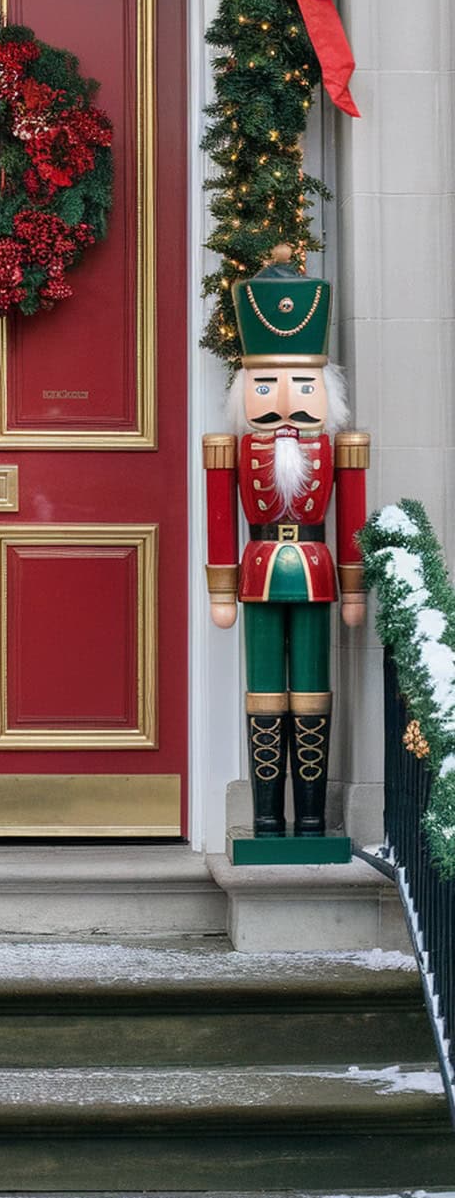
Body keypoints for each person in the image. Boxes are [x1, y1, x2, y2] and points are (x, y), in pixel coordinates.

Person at [204, 246, 368, 837]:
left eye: (301, 383)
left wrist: (354, 590)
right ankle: (267, 819)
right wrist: (221, 589)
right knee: (265, 694)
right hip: (258, 570)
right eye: (267, 384)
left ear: (325, 389)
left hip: (319, 572)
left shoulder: (337, 448)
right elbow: (220, 522)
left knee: (314, 692)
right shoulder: (232, 449)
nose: (284, 401)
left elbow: (351, 523)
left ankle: (314, 820)